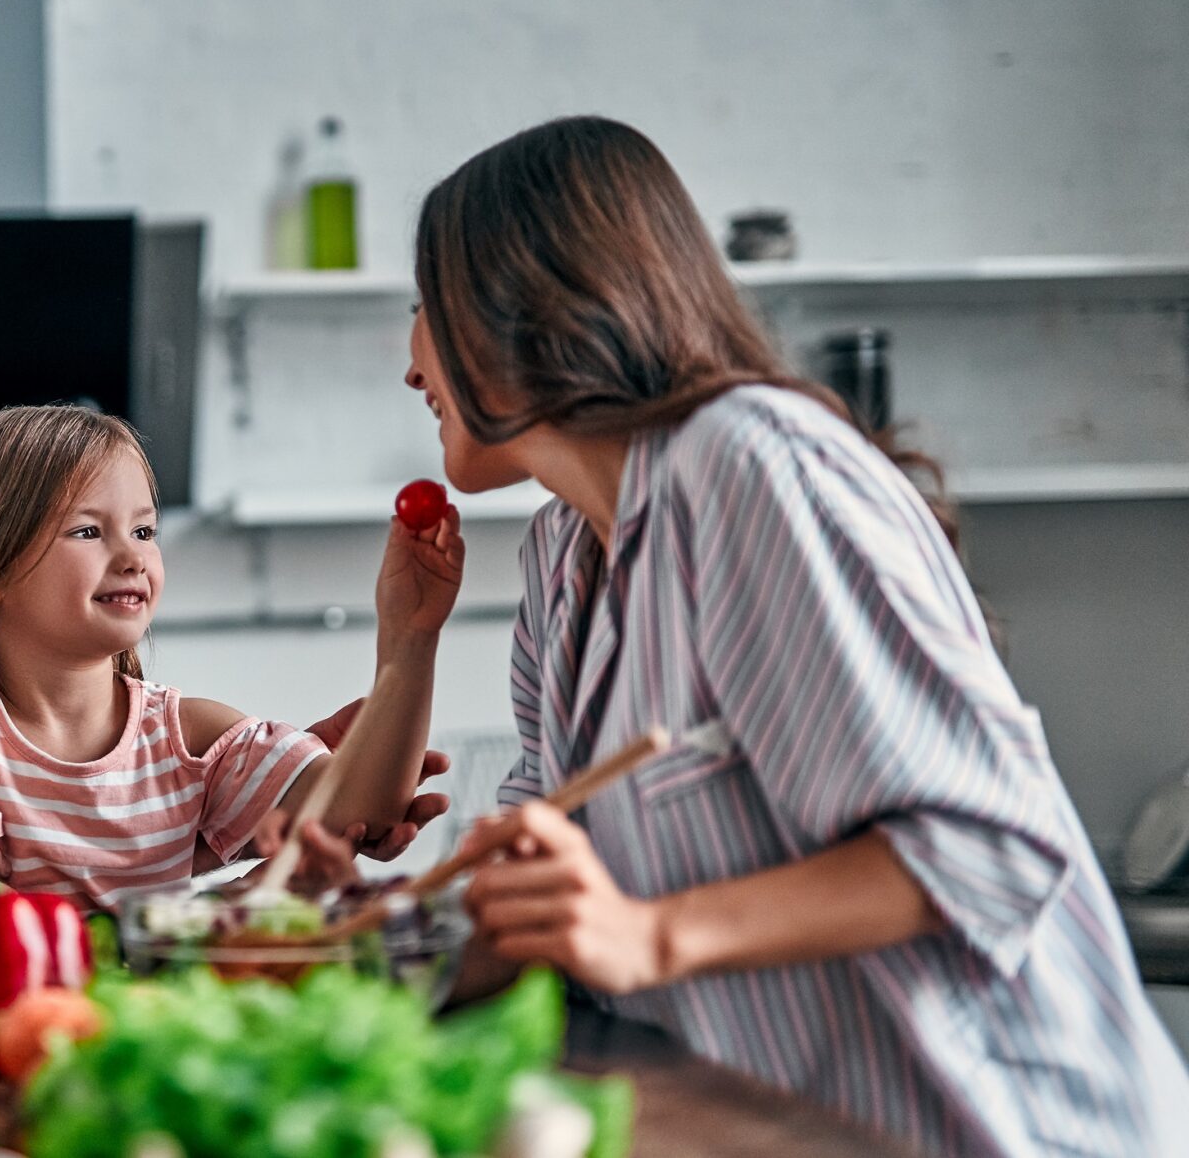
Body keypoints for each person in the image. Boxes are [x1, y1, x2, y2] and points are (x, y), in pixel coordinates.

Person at [410, 116, 1189, 1155]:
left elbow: (991, 843)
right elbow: (548, 881)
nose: (409, 362)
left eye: (426, 306)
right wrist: (372, 931)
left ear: (524, 310)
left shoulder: (744, 465)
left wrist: (652, 934)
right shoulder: (559, 554)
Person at [0, 405, 462, 908]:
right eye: (88, 531)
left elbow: (362, 812)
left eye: (144, 531)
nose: (132, 558)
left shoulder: (193, 738)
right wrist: (233, 904)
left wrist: (410, 639)